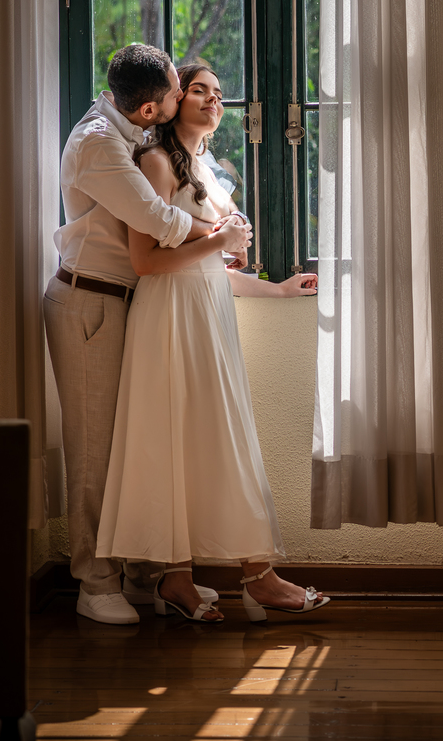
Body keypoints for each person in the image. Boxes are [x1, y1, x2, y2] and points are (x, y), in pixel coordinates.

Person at [94, 64, 328, 623]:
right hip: (169, 316)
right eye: (198, 89)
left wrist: (277, 290)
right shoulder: (153, 162)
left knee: (207, 438)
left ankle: (182, 579)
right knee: (181, 436)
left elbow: (213, 269)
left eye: (219, 94)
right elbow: (148, 262)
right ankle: (251, 576)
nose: (212, 100)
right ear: (174, 102)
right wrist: (220, 240)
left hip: (207, 313)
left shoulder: (207, 171)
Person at [44, 44, 248, 625]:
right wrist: (221, 233)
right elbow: (158, 224)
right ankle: (94, 581)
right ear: (150, 109)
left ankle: (139, 572)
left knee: (135, 442)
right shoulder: (100, 145)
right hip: (90, 301)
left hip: (132, 302)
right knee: (94, 451)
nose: (192, 99)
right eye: (179, 95)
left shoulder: (133, 132)